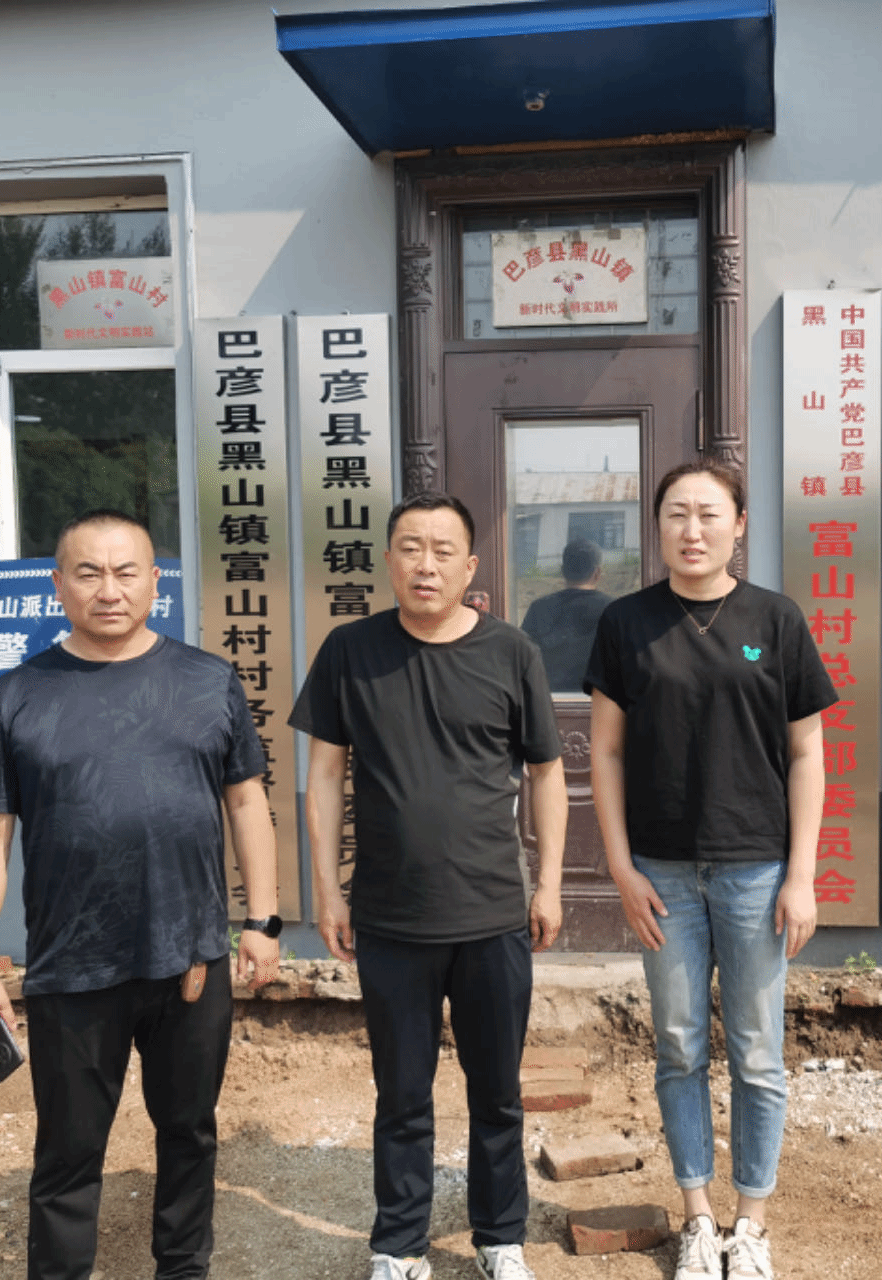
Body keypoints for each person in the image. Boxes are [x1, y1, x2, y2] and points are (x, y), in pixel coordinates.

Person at [0, 508, 281, 1280]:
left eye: (126, 571)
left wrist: (262, 920)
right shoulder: (15, 697)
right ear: (58, 584)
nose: (109, 589)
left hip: (190, 958)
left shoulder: (208, 681)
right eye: (89, 572)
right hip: (73, 967)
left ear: (155, 582)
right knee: (68, 1152)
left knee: (190, 1134)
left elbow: (246, 801)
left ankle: (183, 1268)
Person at [291, 492, 568, 1280]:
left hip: (492, 914)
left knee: (497, 1094)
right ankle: (399, 1245)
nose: (426, 564)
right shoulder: (350, 651)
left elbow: (547, 773)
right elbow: (324, 778)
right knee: (402, 1095)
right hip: (391, 917)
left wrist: (548, 884)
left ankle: (499, 1237)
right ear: (388, 560)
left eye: (444, 550)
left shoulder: (512, 651)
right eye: (410, 547)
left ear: (470, 566)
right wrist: (327, 891)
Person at [584, 464, 835, 1280]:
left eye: (708, 514)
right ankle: (697, 1216)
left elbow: (807, 754)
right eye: (676, 515)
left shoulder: (775, 617)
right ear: (657, 526)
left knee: (758, 1051)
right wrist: (620, 865)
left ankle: (750, 1222)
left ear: (739, 523)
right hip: (662, 875)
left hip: (757, 870)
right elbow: (606, 752)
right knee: (680, 1046)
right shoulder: (626, 623)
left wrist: (802, 875)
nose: (692, 531)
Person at [519, 536, 612, 692]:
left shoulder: (539, 609)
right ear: (597, 573)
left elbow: (522, 660)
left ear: (563, 571)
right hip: (599, 702)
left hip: (550, 700)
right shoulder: (613, 611)